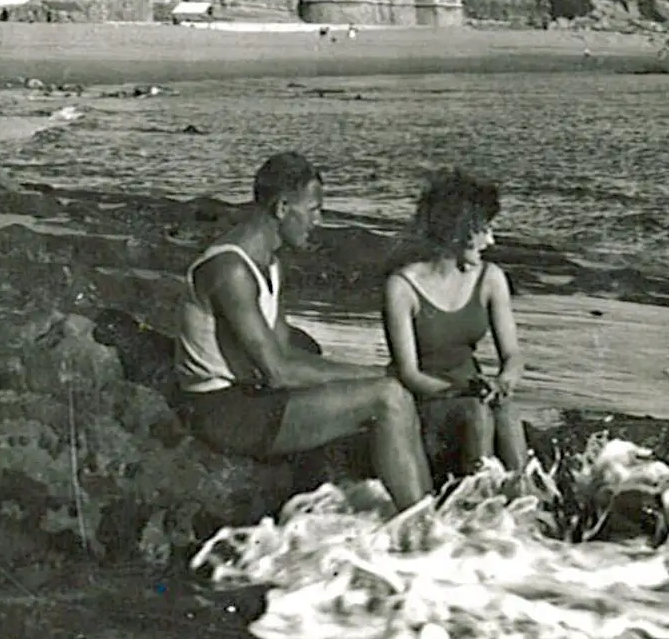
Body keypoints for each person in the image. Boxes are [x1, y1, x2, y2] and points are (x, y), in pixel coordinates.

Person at [177, 152, 432, 511]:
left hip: (252, 399)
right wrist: (382, 376)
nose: (318, 220)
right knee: (388, 397)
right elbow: (278, 372)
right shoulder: (230, 269)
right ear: (283, 208)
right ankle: (423, 529)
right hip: (224, 412)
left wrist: (380, 375)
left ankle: (428, 516)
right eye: (313, 209)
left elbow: (284, 351)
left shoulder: (269, 261)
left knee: (396, 393)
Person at [382, 169, 528, 482]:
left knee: (506, 412)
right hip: (426, 398)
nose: (491, 240)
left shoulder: (491, 279)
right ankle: (474, 506)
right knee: (476, 413)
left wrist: (503, 383)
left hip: (472, 392)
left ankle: (525, 503)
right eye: (484, 229)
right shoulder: (402, 287)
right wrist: (460, 391)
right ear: (457, 231)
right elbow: (409, 374)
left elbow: (513, 355)